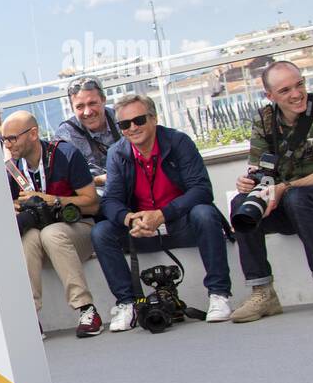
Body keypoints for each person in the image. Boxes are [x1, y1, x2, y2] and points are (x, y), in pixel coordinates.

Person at [91, 93, 234, 330]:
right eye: (124, 124)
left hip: (179, 223)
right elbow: (111, 201)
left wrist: (162, 214)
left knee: (204, 213)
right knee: (101, 232)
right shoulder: (117, 153)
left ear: (154, 118)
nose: (133, 128)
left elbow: (201, 190)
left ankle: (219, 295)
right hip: (141, 231)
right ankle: (129, 304)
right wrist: (129, 218)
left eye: (139, 120)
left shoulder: (178, 142)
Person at [229, 59, 313, 322]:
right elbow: (259, 169)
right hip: (287, 204)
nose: (296, 94)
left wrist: (285, 187)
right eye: (285, 91)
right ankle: (263, 292)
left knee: (296, 196)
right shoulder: (265, 121)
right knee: (240, 204)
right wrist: (249, 183)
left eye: (299, 85)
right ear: (270, 96)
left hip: (307, 200)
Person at [0, 111, 103, 336]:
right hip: (44, 242)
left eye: (12, 138)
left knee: (51, 233)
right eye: (4, 139)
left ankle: (86, 308)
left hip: (79, 230)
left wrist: (54, 200)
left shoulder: (65, 154)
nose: (8, 144)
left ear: (33, 133)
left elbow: (92, 204)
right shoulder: (13, 168)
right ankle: (30, 315)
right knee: (29, 237)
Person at [55, 77, 121, 193]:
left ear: (104, 100)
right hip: (95, 193)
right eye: (80, 107)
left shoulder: (122, 119)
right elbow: (67, 180)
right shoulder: (66, 134)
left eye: (92, 103)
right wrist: (102, 179)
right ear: (72, 108)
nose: (87, 112)